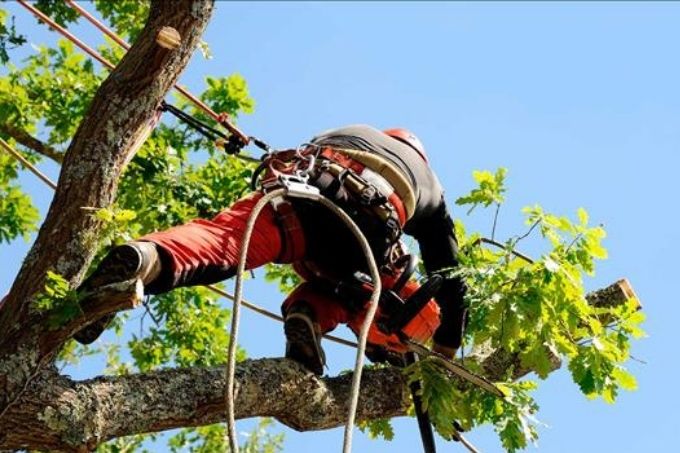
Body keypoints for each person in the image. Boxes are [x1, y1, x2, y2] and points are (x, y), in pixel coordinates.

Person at [74, 125, 468, 375]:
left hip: (299, 196)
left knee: (221, 243)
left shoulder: (352, 132)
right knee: (372, 289)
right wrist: (447, 346)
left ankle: (144, 259)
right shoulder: (428, 183)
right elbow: (450, 274)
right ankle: (310, 315)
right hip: (364, 231)